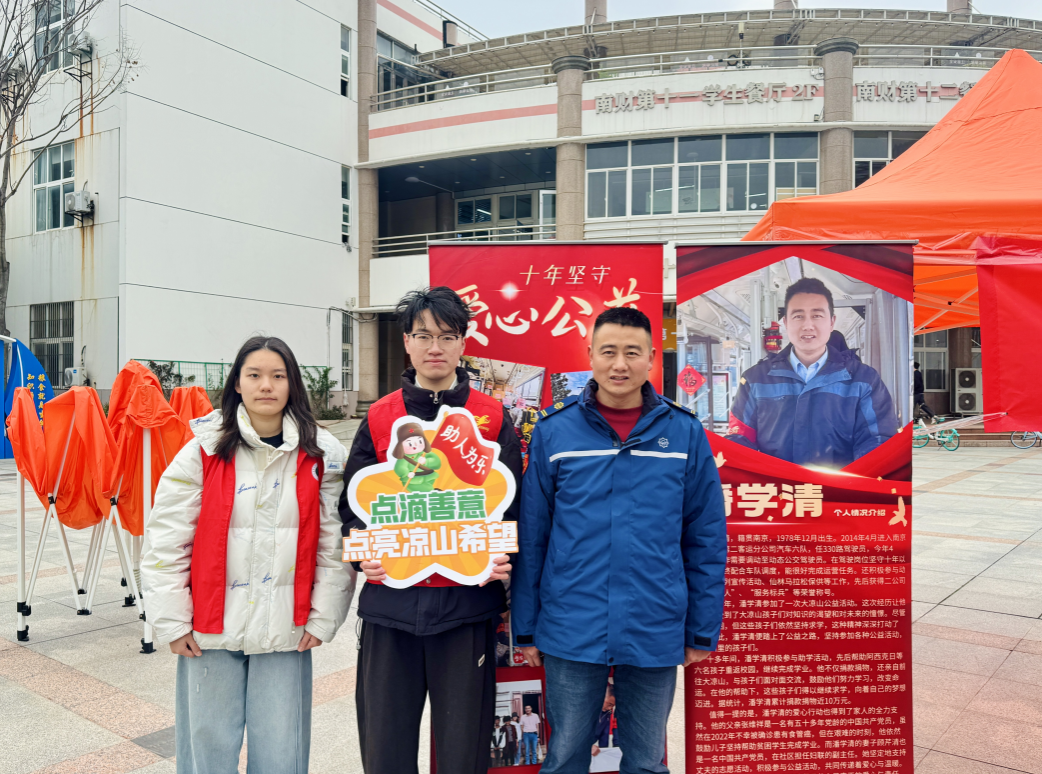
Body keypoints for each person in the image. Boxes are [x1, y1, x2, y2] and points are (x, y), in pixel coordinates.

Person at [513, 307, 727, 774]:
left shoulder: (684, 432)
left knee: (647, 760)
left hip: (655, 622)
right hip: (572, 624)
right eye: (608, 351)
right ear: (590, 355)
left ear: (651, 359)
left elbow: (706, 539)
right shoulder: (554, 431)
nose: (619, 364)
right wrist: (526, 627)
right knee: (565, 756)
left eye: (633, 353)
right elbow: (533, 536)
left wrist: (701, 629)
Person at [142, 336, 354, 774]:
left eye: (278, 376)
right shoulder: (203, 448)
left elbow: (334, 544)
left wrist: (323, 617)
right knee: (207, 747)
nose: (266, 385)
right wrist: (172, 621)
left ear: (293, 384)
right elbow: (166, 539)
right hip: (209, 625)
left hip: (286, 625)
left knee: (281, 747)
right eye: (254, 375)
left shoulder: (322, 454)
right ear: (237, 383)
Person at [338, 287, 524, 774]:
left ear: (463, 342)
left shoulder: (492, 418)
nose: (434, 347)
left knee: (464, 752)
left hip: (467, 610)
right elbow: (352, 508)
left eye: (446, 336)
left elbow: (513, 507)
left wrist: (503, 557)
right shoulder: (380, 416)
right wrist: (362, 554)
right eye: (423, 335)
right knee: (385, 750)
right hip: (390, 609)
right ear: (407, 342)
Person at [727, 277, 899, 468]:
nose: (808, 325)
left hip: (840, 486)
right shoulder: (755, 380)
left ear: (832, 322)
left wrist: (855, 479)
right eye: (798, 316)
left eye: (817, 315)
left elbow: (877, 440)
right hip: (777, 486)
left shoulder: (864, 380)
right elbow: (739, 438)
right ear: (786, 323)